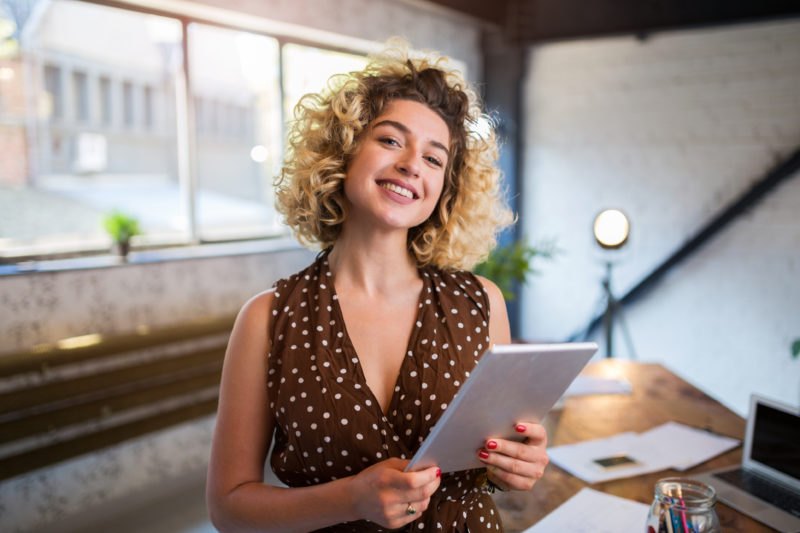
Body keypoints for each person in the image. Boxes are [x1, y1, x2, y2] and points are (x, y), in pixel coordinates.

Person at [206, 42, 549, 532]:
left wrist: (515, 467)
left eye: (435, 159)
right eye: (391, 140)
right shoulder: (267, 319)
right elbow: (228, 508)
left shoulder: (481, 304)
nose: (413, 164)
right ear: (343, 153)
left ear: (445, 190)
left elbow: (489, 471)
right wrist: (351, 499)